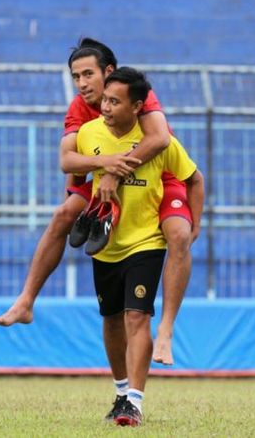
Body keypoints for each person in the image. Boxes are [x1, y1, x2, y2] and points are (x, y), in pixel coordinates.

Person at [0, 38, 197, 366]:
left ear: (108, 72)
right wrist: (102, 171)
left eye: (88, 74)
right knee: (63, 214)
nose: (82, 84)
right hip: (105, 176)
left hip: (158, 176)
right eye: (75, 76)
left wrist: (116, 170)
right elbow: (67, 161)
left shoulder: (134, 91)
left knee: (179, 236)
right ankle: (26, 301)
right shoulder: (78, 107)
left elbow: (158, 139)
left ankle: (167, 329)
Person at [76, 67, 204, 426]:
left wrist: (196, 223)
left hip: (146, 243)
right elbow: (73, 174)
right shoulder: (88, 135)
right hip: (107, 246)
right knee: (112, 320)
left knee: (137, 317)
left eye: (115, 101)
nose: (105, 106)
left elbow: (194, 179)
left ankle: (134, 401)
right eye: (105, 99)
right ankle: (120, 392)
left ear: (137, 107)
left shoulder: (159, 143)